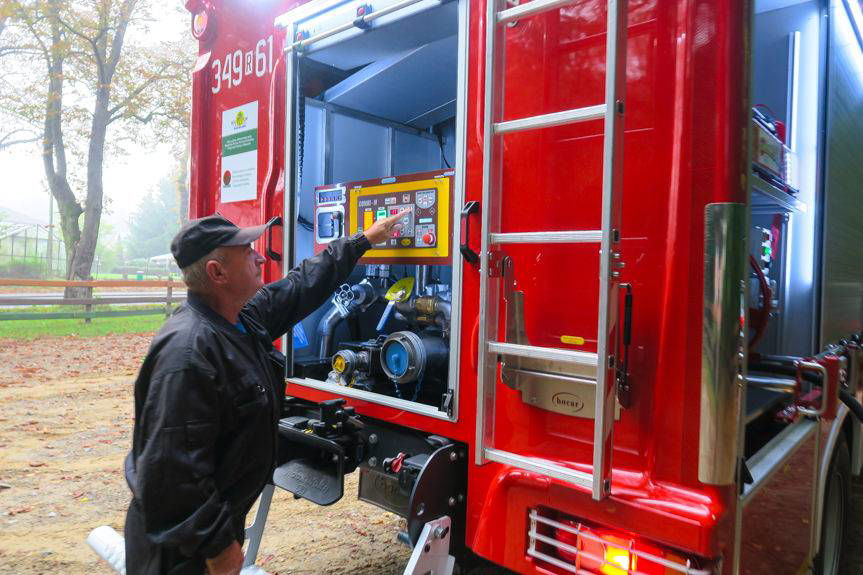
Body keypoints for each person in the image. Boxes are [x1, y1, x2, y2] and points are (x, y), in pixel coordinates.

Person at [123, 210, 406, 575]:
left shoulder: (239, 320)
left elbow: (300, 286)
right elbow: (171, 475)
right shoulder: (189, 354)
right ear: (217, 273)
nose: (259, 256)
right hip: (177, 552)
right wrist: (218, 547)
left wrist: (362, 241)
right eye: (247, 251)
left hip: (204, 533)